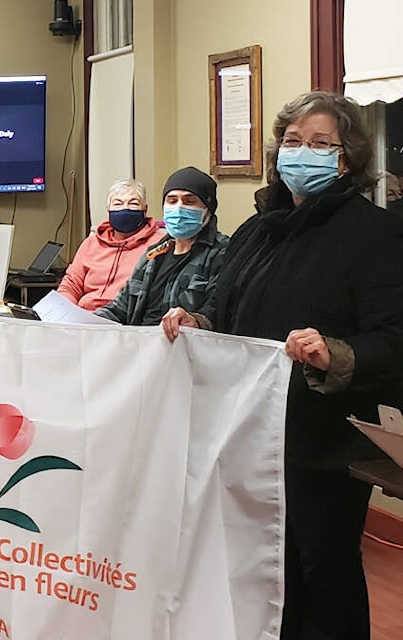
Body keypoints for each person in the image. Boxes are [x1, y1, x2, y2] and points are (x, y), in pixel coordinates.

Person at [162, 91, 403, 640]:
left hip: (326, 440)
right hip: (251, 433)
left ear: (346, 159)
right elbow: (227, 312)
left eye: (321, 144)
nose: (303, 152)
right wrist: (196, 323)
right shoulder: (256, 232)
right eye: (293, 142)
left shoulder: (374, 234)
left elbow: (395, 339)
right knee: (264, 572)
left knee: (323, 570)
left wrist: (334, 352)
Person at [95, 166, 228, 325]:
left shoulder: (222, 253)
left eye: (189, 201)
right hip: (140, 343)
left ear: (208, 209)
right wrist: (84, 323)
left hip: (183, 344)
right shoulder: (154, 254)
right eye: (172, 200)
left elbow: (219, 310)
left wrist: (196, 321)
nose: (179, 207)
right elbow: (120, 308)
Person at [57, 178, 165, 310]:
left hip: (125, 320)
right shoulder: (91, 243)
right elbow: (71, 285)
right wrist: (65, 311)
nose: (125, 208)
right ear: (108, 209)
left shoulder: (159, 245)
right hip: (83, 320)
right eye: (118, 204)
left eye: (133, 203)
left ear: (145, 209)